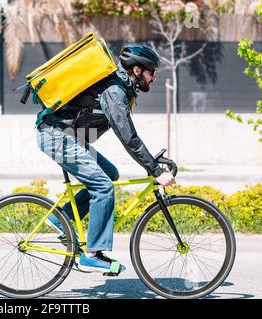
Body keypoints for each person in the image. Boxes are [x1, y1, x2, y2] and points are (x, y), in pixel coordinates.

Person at [35, 44, 176, 273]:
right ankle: (92, 254)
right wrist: (156, 171)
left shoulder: (119, 88)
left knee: (110, 174)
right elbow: (128, 136)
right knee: (103, 186)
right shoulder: (114, 92)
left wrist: (152, 165)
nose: (155, 77)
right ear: (138, 71)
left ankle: (62, 219)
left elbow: (126, 135)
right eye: (152, 71)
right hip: (56, 136)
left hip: (65, 136)